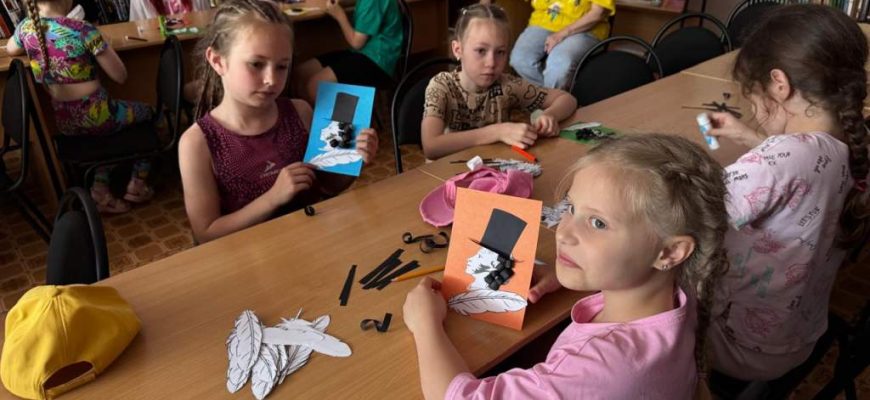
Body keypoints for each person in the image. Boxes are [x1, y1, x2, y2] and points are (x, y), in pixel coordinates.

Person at [404, 134, 730, 399]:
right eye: (571, 208)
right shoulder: (679, 290)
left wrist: (425, 324)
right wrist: (567, 277)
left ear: (671, 251)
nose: (563, 232)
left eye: (598, 223)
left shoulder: (601, 366)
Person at [703, 4, 870, 389]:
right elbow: (802, 171)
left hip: (737, 345)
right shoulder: (854, 142)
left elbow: (695, 213)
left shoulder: (781, 161)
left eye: (752, 97)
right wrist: (752, 138)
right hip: (797, 336)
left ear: (779, 84)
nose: (754, 109)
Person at [178, 0, 379, 244]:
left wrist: (354, 158)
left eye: (282, 66)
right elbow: (206, 233)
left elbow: (329, 185)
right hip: (249, 258)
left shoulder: (301, 112)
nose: (271, 79)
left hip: (312, 245)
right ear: (218, 61)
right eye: (256, 64)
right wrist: (273, 197)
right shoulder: (197, 143)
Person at [8, 0, 155, 213]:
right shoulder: (83, 29)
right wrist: (103, 44)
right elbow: (120, 76)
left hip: (65, 123)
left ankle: (100, 190)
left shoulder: (25, 28)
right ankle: (138, 184)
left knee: (102, 137)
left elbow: (11, 49)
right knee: (148, 112)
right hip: (101, 116)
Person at [421, 3, 576, 160]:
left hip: (494, 169)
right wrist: (498, 132)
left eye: (500, 52)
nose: (491, 63)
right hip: (449, 172)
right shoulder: (441, 86)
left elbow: (566, 99)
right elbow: (431, 146)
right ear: (457, 49)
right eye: (481, 51)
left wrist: (549, 115)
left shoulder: (507, 85)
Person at [292, 0, 402, 105]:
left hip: (378, 61)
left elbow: (356, 42)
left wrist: (339, 15)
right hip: (362, 53)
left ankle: (337, 118)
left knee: (315, 86)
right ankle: (311, 116)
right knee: (300, 74)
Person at [502, 0, 614, 89]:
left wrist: (562, 33)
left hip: (585, 29)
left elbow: (597, 14)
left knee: (559, 63)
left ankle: (552, 104)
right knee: (519, 59)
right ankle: (550, 99)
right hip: (543, 22)